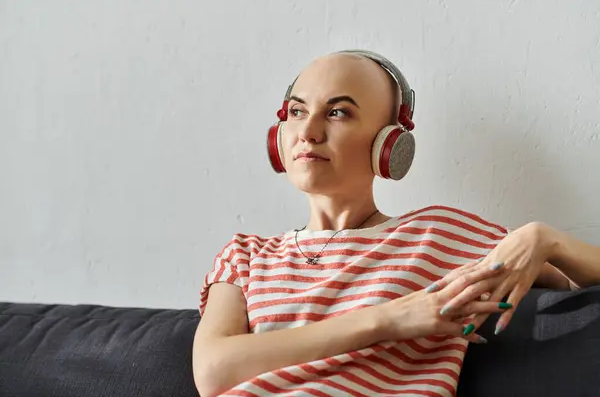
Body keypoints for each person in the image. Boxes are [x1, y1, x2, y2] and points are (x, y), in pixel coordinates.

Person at [191, 49, 600, 397]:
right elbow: (212, 372)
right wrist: (389, 320)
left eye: (338, 112)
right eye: (297, 111)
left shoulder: (439, 236)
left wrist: (544, 238)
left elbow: (582, 281)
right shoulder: (245, 255)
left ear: (390, 144)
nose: (308, 132)